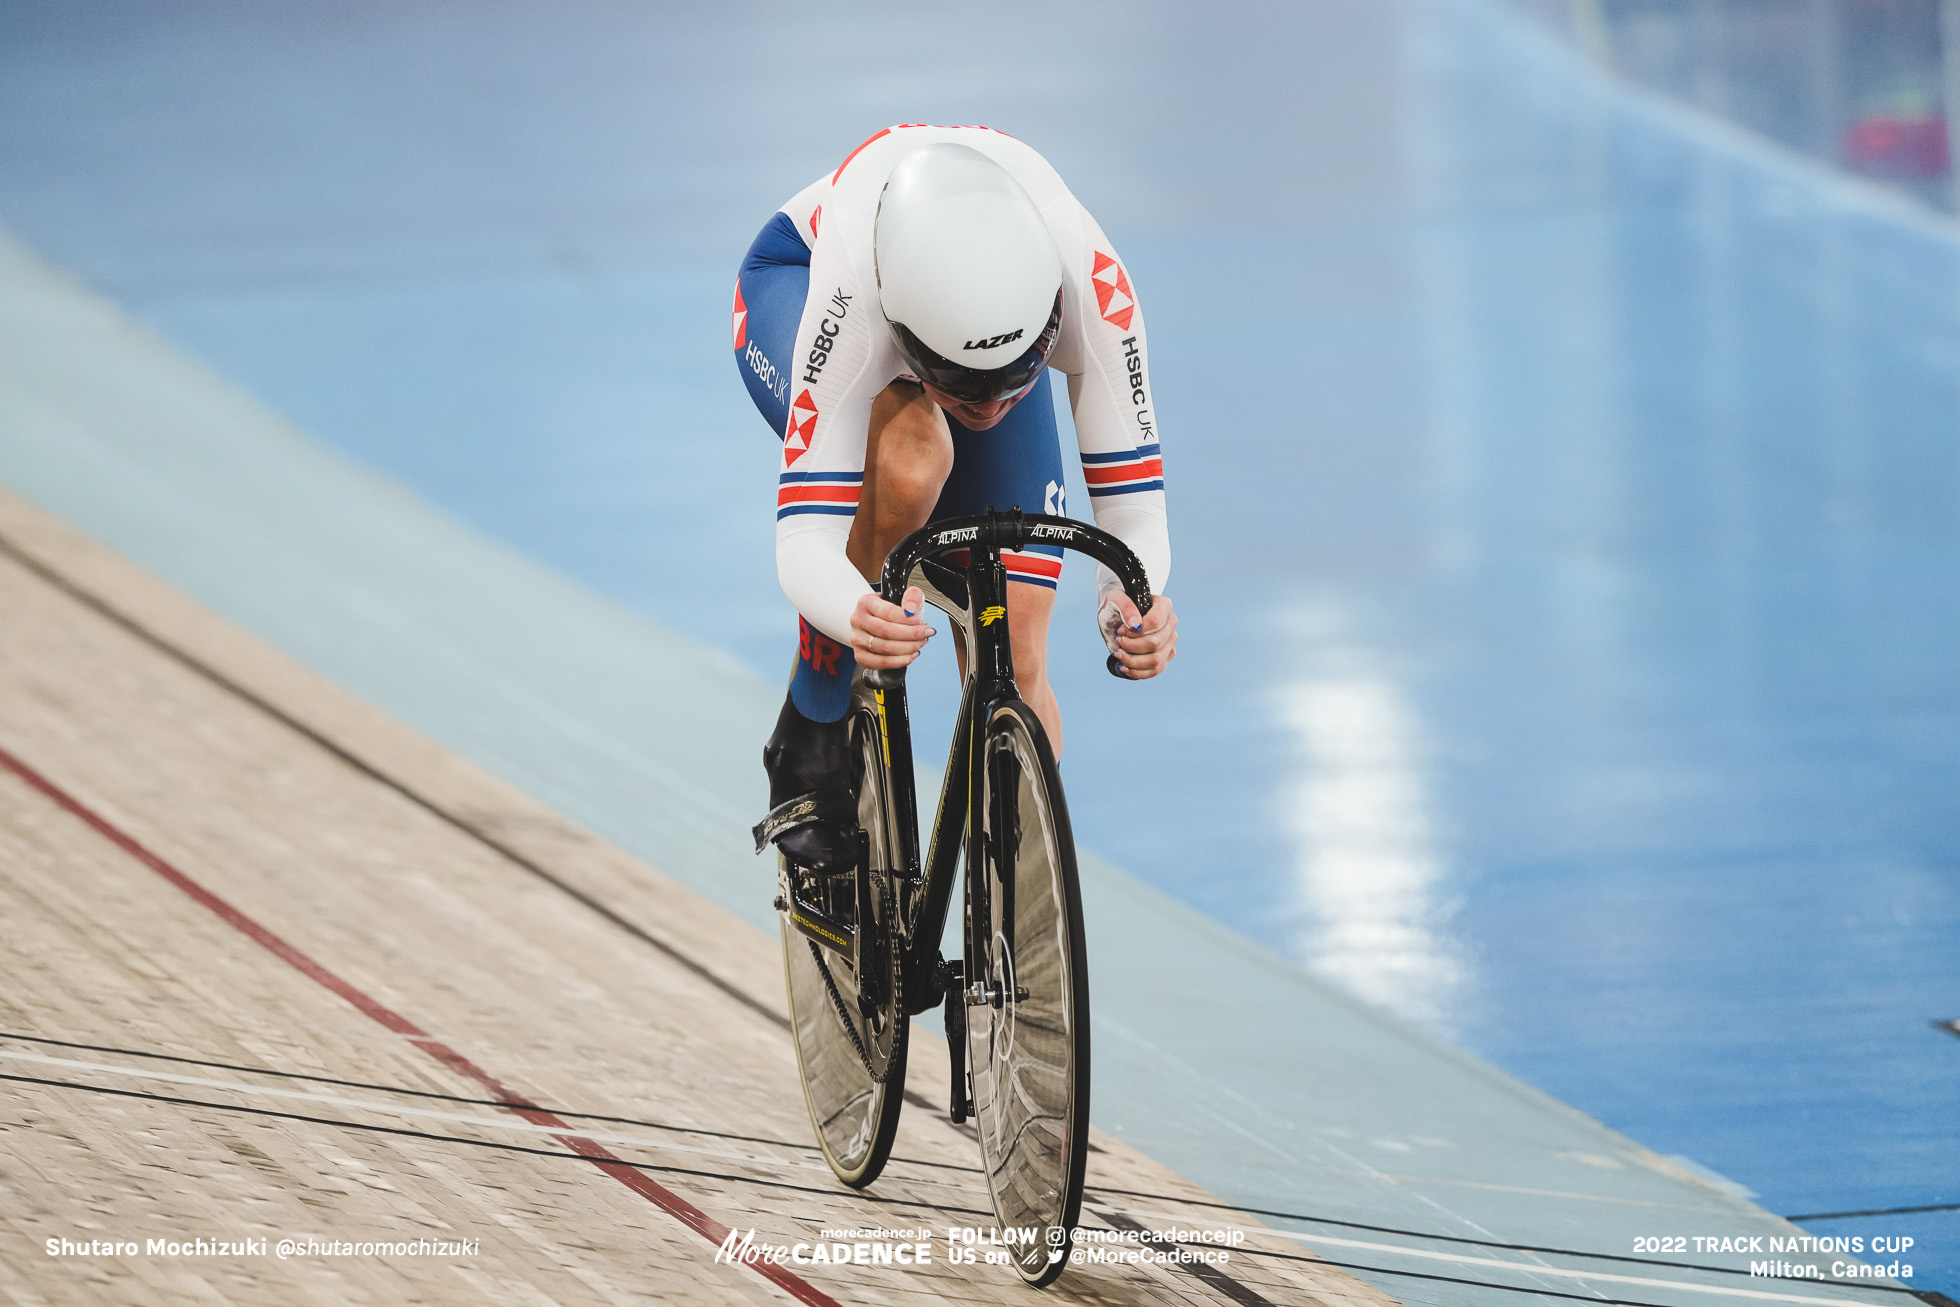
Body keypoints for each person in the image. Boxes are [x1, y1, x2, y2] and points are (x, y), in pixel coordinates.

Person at [734, 125, 1177, 870]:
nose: (991, 408)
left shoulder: (1092, 287)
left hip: (977, 327)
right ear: (905, 339)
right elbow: (805, 539)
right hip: (796, 279)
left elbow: (1134, 507)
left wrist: (1130, 595)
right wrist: (851, 613)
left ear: (1049, 323)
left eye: (1016, 379)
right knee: (911, 460)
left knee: (1020, 638)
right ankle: (812, 718)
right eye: (964, 387)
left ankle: (1012, 913)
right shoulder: (852, 313)